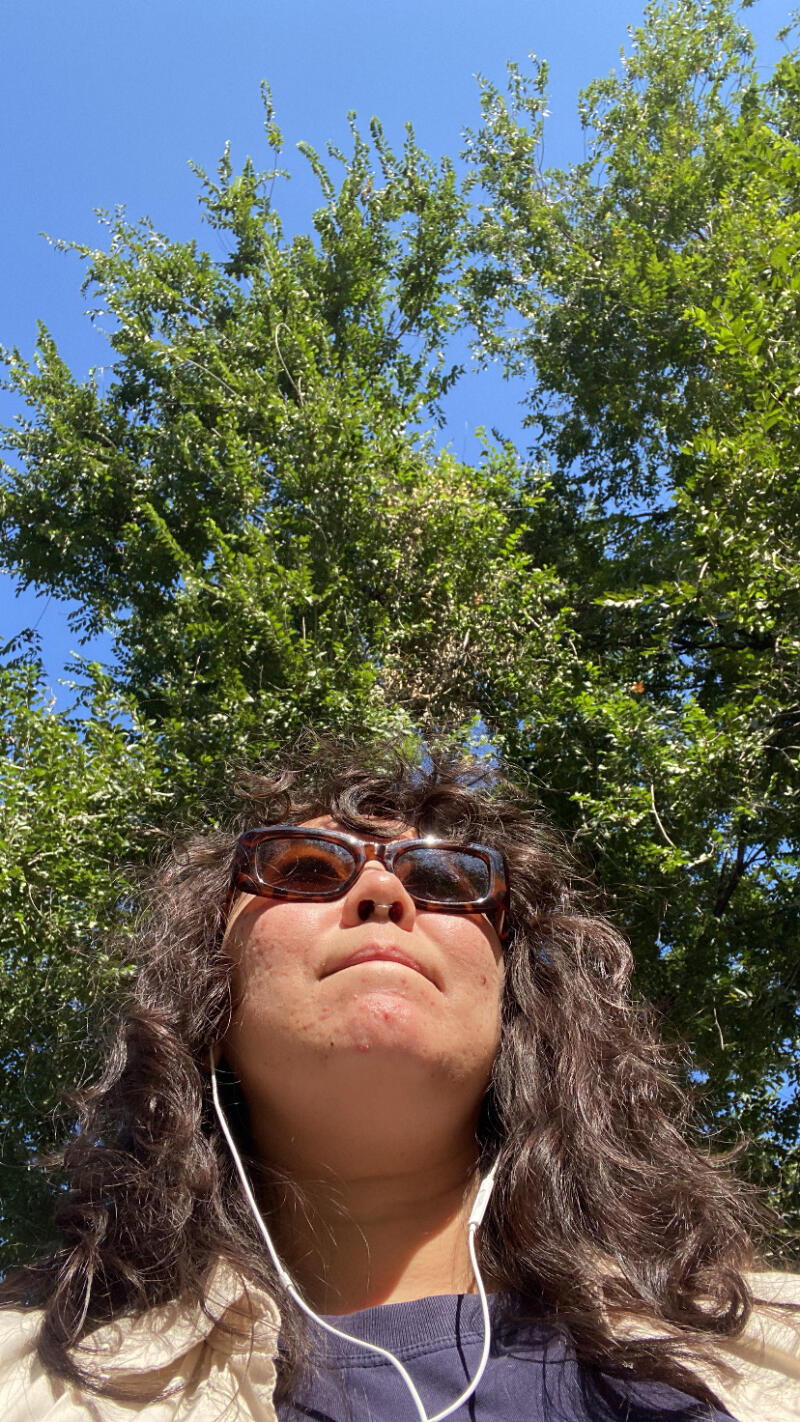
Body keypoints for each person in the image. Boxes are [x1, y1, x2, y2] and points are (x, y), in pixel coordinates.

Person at [1, 744, 798, 1421]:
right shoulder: (26, 1387)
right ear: (204, 1003)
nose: (382, 893)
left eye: (448, 881)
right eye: (308, 870)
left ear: (516, 1006)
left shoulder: (772, 1360)